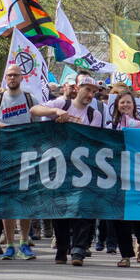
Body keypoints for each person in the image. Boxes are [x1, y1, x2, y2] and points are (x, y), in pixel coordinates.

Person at [0, 64, 62, 261]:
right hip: (5, 155)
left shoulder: (29, 99)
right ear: (5, 78)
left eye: (15, 75)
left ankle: (24, 243)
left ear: (21, 78)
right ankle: (9, 243)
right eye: (9, 75)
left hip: (26, 156)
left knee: (25, 200)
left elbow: (37, 128)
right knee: (7, 201)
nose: (12, 78)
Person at [39, 74, 108, 265]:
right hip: (60, 166)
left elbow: (97, 140)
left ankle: (78, 249)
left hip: (83, 168)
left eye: (94, 92)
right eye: (87, 90)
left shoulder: (96, 115)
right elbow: (35, 110)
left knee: (83, 208)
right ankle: (62, 248)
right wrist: (56, 112)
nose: (90, 95)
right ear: (77, 88)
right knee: (60, 209)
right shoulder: (63, 103)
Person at [107, 90, 140, 266]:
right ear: (117, 106)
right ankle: (125, 255)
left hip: (138, 174)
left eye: (128, 102)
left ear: (134, 105)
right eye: (122, 103)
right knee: (119, 216)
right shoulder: (110, 126)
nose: (125, 105)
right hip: (117, 175)